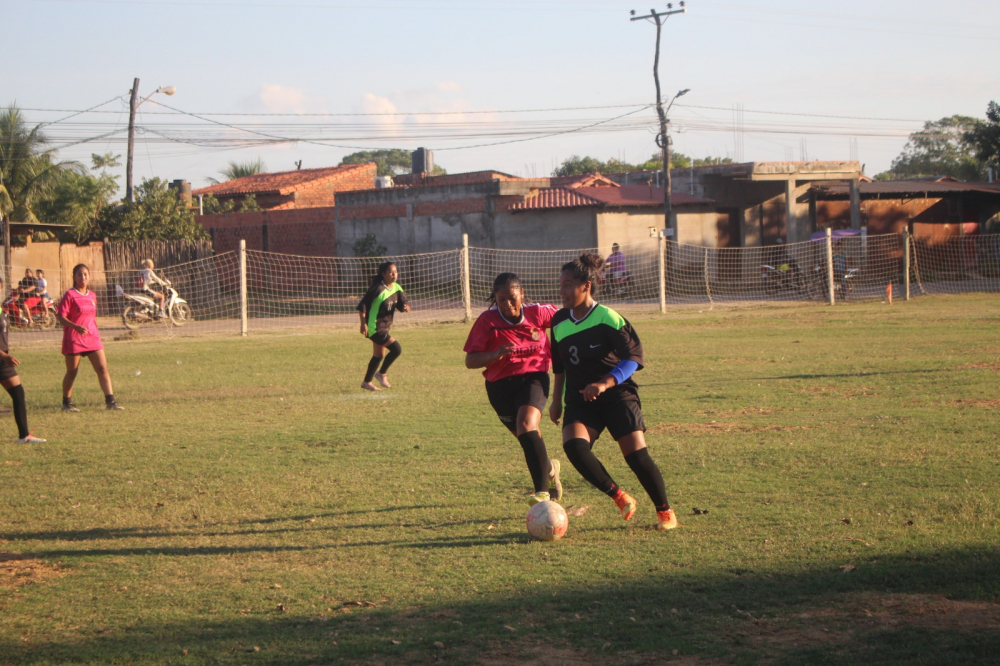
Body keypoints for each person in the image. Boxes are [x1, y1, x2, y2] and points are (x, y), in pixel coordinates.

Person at [548, 254, 677, 531]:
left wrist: (605, 382)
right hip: (581, 401)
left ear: (587, 285)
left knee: (636, 457)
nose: (563, 291)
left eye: (569, 285)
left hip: (618, 396)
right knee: (574, 447)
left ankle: (665, 512)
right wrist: (556, 402)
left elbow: (633, 358)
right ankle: (620, 497)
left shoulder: (608, 317)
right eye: (560, 285)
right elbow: (559, 367)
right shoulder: (558, 321)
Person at [463, 273, 563, 506]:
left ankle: (542, 494)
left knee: (527, 425)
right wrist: (495, 354)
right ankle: (549, 467)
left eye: (512, 298)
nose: (508, 304)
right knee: (526, 436)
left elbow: (565, 319)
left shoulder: (538, 313)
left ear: (522, 294)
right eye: (501, 300)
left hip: (534, 377)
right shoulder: (487, 321)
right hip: (499, 386)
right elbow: (470, 361)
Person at [55, 263, 124, 411]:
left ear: (89, 276)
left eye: (85, 274)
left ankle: (110, 402)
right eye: (79, 274)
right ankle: (66, 404)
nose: (83, 277)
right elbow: (60, 316)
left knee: (102, 368)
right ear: (74, 277)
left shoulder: (92, 295)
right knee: (72, 372)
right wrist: (75, 327)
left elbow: (91, 318)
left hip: (92, 338)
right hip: (74, 338)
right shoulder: (70, 295)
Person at [0, 275, 46, 444]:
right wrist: (4, 355)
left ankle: (24, 436)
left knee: (18, 393)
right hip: (3, 358)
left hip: (3, 362)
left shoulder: (2, 309)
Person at [357, 261, 410, 391]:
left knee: (378, 356)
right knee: (396, 349)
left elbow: (402, 306)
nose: (394, 275)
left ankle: (367, 382)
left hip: (385, 326)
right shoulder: (377, 289)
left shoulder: (397, 288)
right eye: (391, 272)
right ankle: (381, 374)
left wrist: (406, 307)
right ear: (384, 274)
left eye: (396, 272)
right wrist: (363, 324)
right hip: (374, 327)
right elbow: (362, 306)